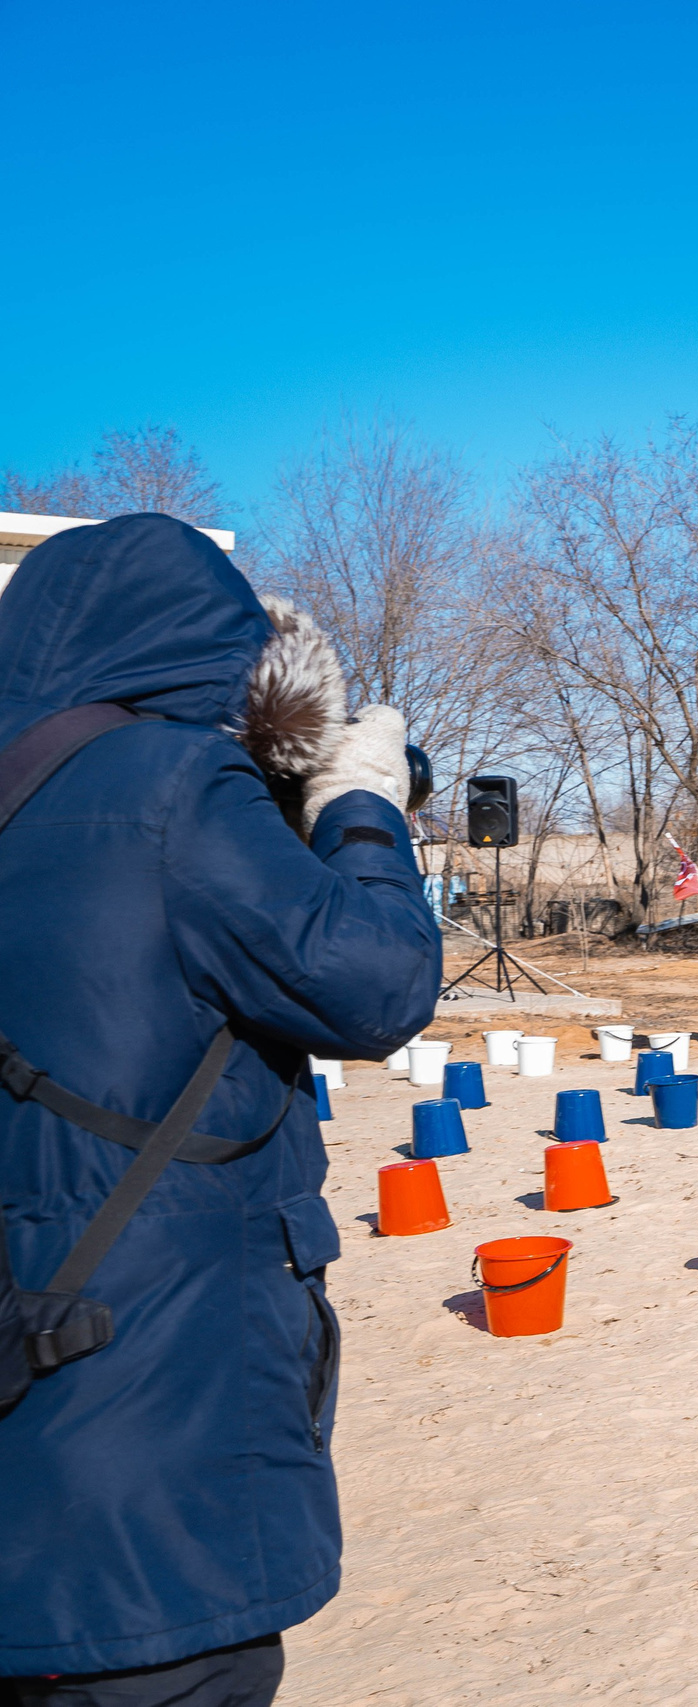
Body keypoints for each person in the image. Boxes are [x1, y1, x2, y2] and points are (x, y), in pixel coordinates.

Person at [0, 517, 442, 1703]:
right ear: (201, 653)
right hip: (147, 1439)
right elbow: (374, 981)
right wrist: (359, 808)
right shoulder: (171, 782)